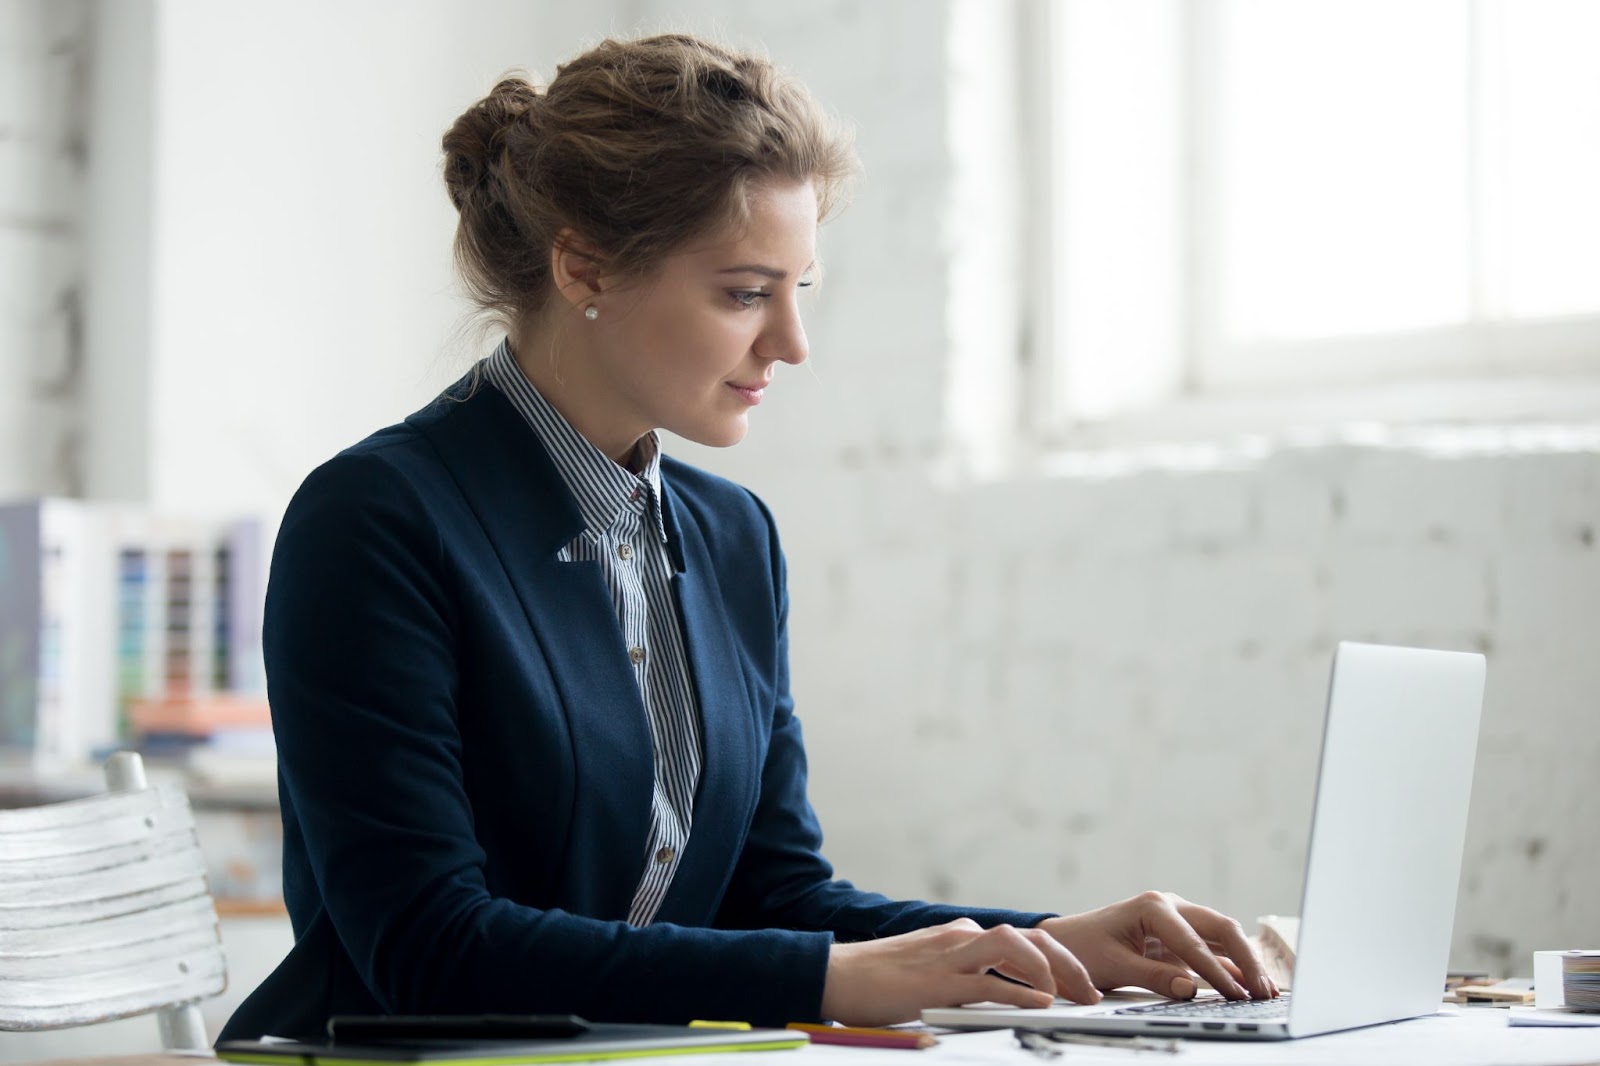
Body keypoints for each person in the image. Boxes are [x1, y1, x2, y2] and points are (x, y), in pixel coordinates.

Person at [218, 33, 1277, 1042]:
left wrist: (1047, 944)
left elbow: (772, 892)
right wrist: (829, 981)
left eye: (798, 290)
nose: (792, 342)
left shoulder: (731, 537)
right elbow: (427, 947)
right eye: (743, 293)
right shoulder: (376, 519)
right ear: (582, 268)